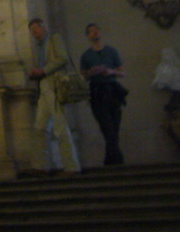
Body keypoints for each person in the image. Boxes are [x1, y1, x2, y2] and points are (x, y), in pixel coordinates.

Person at [27, 18, 81, 175]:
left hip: (54, 85)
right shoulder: (39, 47)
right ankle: (39, 166)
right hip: (44, 87)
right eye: (32, 30)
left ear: (44, 27)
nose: (34, 32)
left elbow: (62, 58)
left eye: (36, 28)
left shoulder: (54, 39)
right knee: (39, 127)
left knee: (59, 124)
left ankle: (71, 166)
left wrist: (43, 71)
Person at [80, 23, 127, 165]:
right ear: (88, 36)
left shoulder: (111, 51)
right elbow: (83, 76)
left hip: (112, 90)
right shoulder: (86, 56)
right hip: (97, 92)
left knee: (114, 126)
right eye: (91, 31)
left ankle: (111, 160)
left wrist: (111, 72)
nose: (95, 33)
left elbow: (122, 72)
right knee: (107, 126)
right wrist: (92, 72)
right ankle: (116, 160)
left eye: (96, 30)